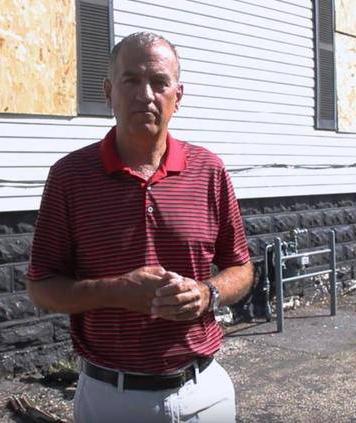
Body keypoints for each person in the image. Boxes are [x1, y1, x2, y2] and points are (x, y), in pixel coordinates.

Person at [26, 31, 254, 422]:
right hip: (111, 397)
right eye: (131, 80)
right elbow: (41, 286)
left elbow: (242, 268)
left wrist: (207, 293)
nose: (145, 94)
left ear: (178, 96)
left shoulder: (209, 170)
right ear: (108, 91)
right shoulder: (70, 177)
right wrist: (116, 291)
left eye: (159, 82)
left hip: (203, 391)